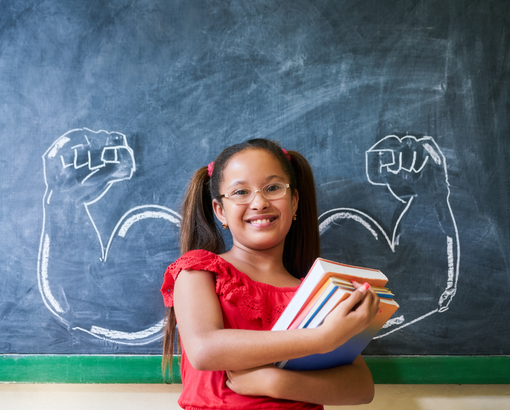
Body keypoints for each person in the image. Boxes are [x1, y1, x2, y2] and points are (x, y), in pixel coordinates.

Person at [161, 138, 381, 409]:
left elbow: (361, 388)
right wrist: (321, 338)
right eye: (241, 192)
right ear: (220, 211)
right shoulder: (199, 270)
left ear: (295, 201)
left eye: (273, 188)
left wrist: (275, 383)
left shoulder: (317, 292)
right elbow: (205, 349)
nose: (259, 202)